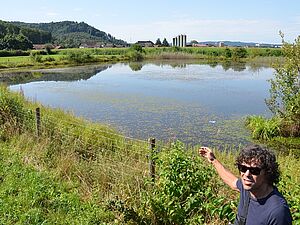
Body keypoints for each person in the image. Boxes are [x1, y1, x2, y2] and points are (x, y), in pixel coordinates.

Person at [199, 144, 292, 225]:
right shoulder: (249, 188)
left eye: (254, 170)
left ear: (268, 172)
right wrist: (213, 160)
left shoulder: (277, 212)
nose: (246, 174)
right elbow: (232, 181)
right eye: (243, 168)